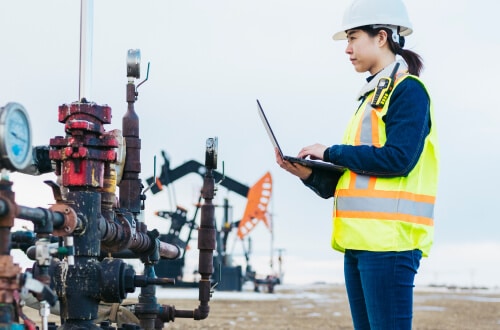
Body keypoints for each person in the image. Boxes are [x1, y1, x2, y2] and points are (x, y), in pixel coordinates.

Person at [275, 0, 439, 329]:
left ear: (381, 37)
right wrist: (308, 173)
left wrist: (331, 152)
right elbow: (356, 180)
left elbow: (398, 160)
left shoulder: (409, 92)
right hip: (360, 243)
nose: (347, 49)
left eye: (352, 38)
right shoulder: (370, 97)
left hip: (390, 244)